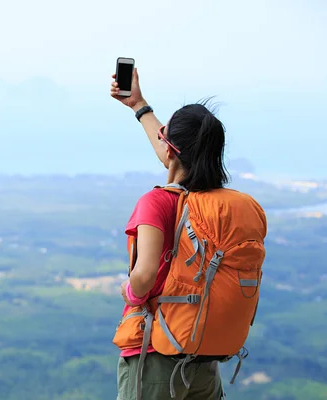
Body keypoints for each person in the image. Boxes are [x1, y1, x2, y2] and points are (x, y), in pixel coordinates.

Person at [110, 67, 228, 400]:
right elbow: (174, 153)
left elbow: (144, 275)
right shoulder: (216, 206)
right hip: (203, 359)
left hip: (155, 357)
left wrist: (129, 291)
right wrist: (139, 106)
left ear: (170, 148)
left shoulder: (156, 203)